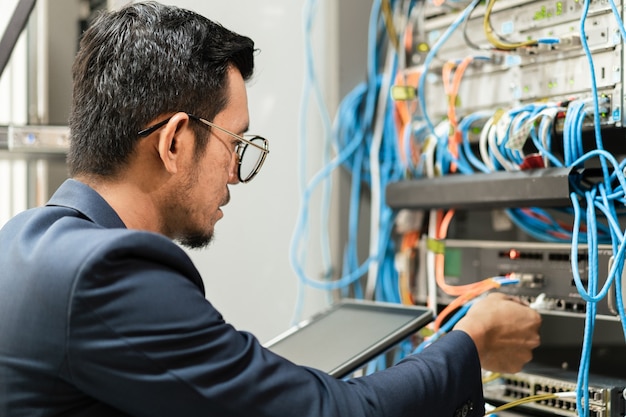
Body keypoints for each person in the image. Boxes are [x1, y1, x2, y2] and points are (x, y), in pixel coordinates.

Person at [0, 2, 541, 416]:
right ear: (173, 142)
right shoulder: (106, 274)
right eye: (235, 143)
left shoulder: (25, 240)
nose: (237, 172)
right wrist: (471, 343)